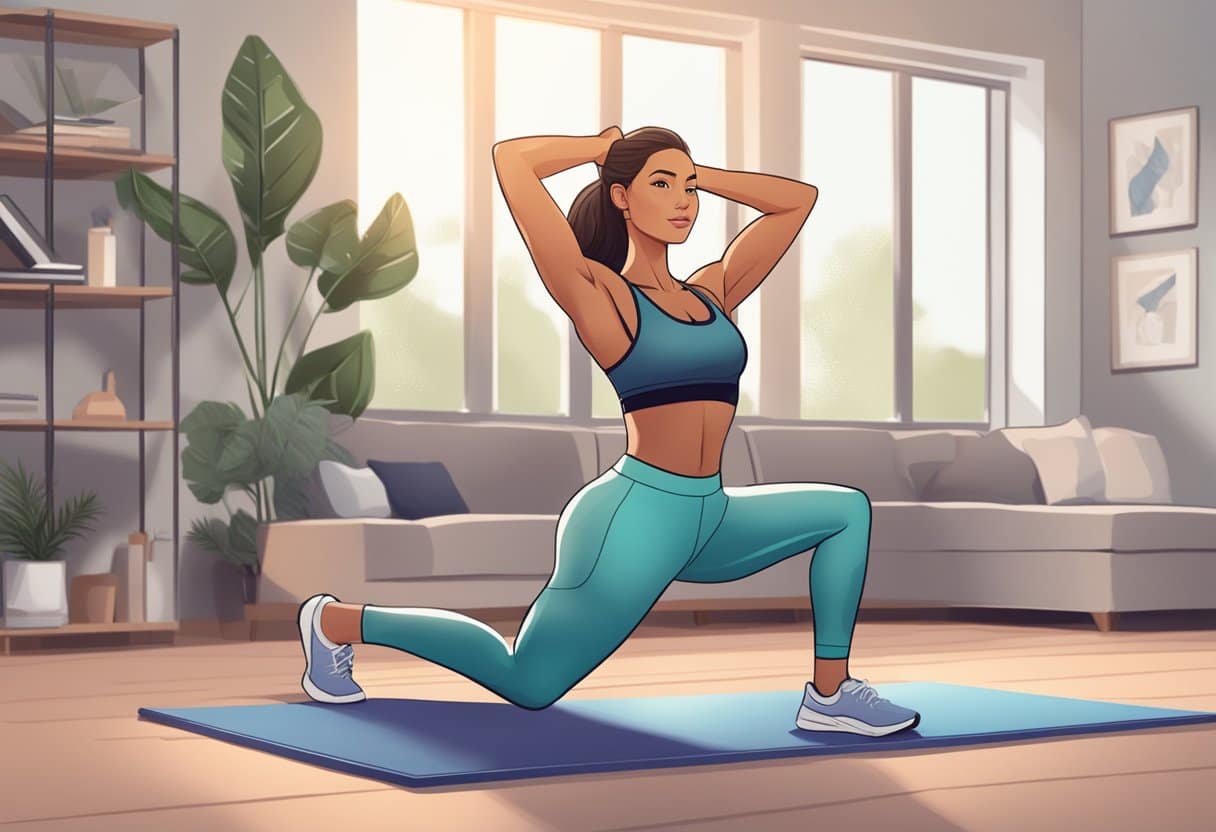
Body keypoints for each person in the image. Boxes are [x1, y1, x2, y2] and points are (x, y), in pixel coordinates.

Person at [297, 125, 920, 737]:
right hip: (634, 519)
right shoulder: (602, 295)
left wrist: (703, 174)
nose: (685, 200)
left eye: (691, 187)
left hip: (711, 514)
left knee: (846, 511)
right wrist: (602, 150)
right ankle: (336, 622)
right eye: (663, 184)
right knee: (529, 682)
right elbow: (513, 161)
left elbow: (798, 201)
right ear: (621, 197)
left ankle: (830, 695)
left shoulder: (711, 293)